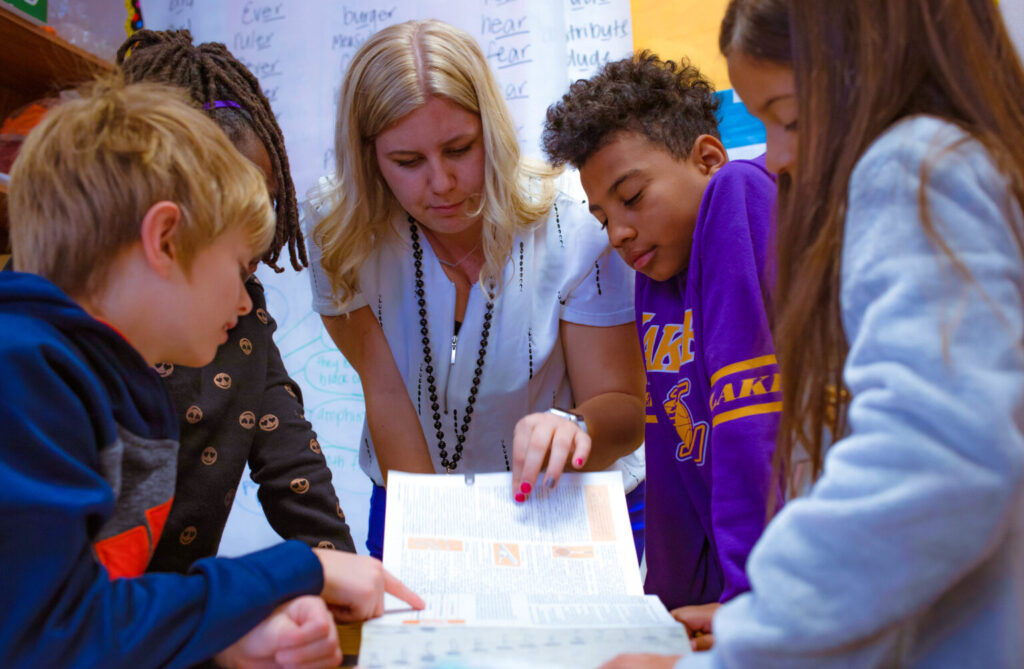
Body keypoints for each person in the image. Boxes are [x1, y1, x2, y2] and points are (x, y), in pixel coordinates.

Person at [603, 0, 1024, 666]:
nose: (776, 153)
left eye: (789, 116)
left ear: (867, 68)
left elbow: (931, 462)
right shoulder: (970, 160)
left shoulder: (911, 166)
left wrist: (751, 637)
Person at [0, 77, 422, 668]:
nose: (247, 301)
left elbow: (108, 619)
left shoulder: (117, 382)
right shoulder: (22, 374)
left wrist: (224, 643)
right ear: (166, 240)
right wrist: (296, 569)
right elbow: (48, 637)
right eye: (239, 265)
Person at [305, 19, 647, 559]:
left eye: (460, 149)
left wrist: (575, 428)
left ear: (492, 128)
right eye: (407, 162)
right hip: (414, 496)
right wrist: (440, 549)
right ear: (368, 156)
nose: (440, 183)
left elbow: (626, 411)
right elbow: (388, 396)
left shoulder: (574, 223)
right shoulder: (337, 229)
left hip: (564, 509)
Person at [543, 52, 779, 637]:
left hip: (785, 590)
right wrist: (667, 614)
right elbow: (673, 459)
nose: (618, 232)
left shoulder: (736, 195)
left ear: (706, 158)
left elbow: (753, 423)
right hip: (726, 601)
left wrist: (755, 603)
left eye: (632, 196)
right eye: (602, 216)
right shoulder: (655, 281)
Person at [114, 29, 357, 572]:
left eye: (267, 207)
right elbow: (90, 605)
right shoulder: (76, 359)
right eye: (234, 215)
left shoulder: (241, 313)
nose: (259, 240)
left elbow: (292, 465)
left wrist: (337, 567)